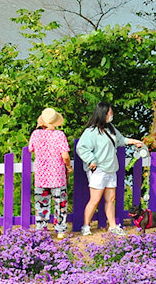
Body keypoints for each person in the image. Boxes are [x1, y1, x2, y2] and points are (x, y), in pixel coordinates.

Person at [76, 102, 146, 236]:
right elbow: (81, 147)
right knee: (95, 199)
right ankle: (86, 226)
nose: (111, 115)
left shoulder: (111, 128)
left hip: (111, 168)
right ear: (103, 114)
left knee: (111, 199)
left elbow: (120, 140)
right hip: (98, 169)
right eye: (109, 113)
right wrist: (91, 159)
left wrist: (134, 141)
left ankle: (113, 226)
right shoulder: (91, 132)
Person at [28, 108, 72, 239]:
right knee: (60, 203)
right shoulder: (59, 135)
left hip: (41, 176)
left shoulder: (35, 134)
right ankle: (60, 230)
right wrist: (68, 166)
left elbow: (31, 149)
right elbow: (65, 155)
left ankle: (41, 230)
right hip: (57, 176)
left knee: (41, 204)